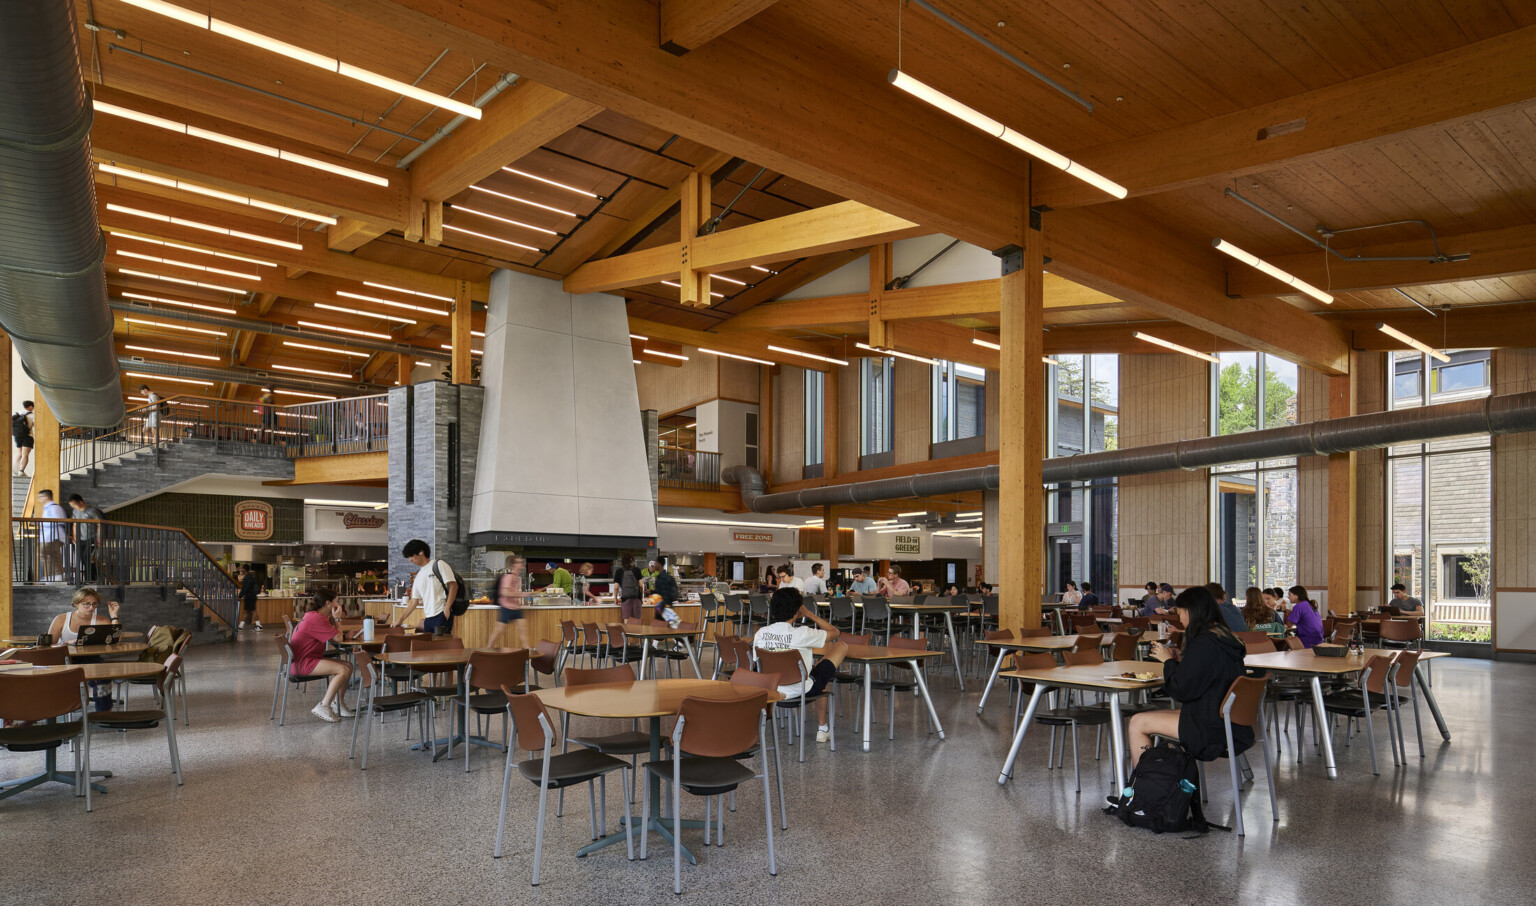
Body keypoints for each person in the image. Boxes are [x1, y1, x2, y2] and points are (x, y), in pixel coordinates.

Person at [1127, 586, 1252, 766]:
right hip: (1230, 721)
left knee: (1137, 722)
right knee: (1152, 714)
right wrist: (1183, 660)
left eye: (1180, 613)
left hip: (1209, 728)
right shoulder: (1225, 637)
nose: (1179, 618)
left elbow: (1181, 691)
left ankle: (1145, 785)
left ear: (1191, 611)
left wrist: (1168, 661)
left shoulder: (1203, 642)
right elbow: (1205, 673)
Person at [752, 587, 850, 743]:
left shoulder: (760, 633)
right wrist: (809, 613)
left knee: (812, 674)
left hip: (771, 689)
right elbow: (835, 632)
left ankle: (823, 728)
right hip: (800, 689)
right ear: (797, 611)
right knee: (841, 646)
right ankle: (822, 729)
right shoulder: (803, 633)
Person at [48, 587, 121, 710]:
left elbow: (116, 639)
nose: (91, 608)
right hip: (66, 660)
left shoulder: (100, 620)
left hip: (90, 658)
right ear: (76, 604)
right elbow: (49, 645)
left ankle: (104, 713)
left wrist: (114, 616)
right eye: (86, 604)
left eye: (94, 604)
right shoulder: (61, 619)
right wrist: (66, 643)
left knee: (104, 676)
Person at [288, 591, 354, 722]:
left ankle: (338, 703)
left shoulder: (314, 616)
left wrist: (345, 635)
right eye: (336, 601)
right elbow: (338, 638)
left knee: (349, 665)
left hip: (305, 659)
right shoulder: (316, 618)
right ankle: (324, 705)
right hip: (303, 663)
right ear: (328, 603)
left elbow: (335, 637)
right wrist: (337, 618)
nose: (338, 604)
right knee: (343, 669)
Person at [399, 539, 459, 635]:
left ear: (421, 552)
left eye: (411, 556)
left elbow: (454, 585)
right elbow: (414, 601)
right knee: (428, 647)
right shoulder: (418, 576)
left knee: (441, 647)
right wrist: (400, 620)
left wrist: (447, 607)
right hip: (428, 618)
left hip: (441, 614)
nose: (410, 559)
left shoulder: (439, 564)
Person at [487, 554, 532, 649]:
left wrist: (520, 598)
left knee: (524, 634)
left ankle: (528, 658)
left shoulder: (518, 578)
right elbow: (504, 592)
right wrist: (521, 595)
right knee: (497, 633)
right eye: (519, 562)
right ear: (513, 565)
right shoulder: (508, 577)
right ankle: (486, 651)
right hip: (506, 608)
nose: (521, 564)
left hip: (516, 608)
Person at [67, 494, 104, 583]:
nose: (74, 507)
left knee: (87, 557)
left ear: (81, 502)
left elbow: (99, 524)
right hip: (81, 539)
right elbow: (75, 524)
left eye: (75, 505)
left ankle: (91, 578)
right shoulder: (75, 512)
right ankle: (90, 578)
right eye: (72, 506)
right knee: (82, 559)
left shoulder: (91, 511)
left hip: (92, 537)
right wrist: (75, 537)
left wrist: (99, 537)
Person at [37, 489, 69, 582]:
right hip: (50, 536)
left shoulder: (54, 507)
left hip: (53, 536)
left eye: (40, 497)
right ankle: (56, 576)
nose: (39, 499)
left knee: (43, 552)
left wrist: (41, 524)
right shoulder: (48, 508)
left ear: (46, 497)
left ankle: (54, 575)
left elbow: (59, 521)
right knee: (53, 555)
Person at [613, 554, 646, 620]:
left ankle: (627, 630)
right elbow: (641, 585)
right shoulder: (637, 570)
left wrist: (615, 599)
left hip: (625, 599)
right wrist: (642, 597)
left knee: (627, 620)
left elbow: (616, 587)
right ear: (632, 561)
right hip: (637, 599)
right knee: (637, 620)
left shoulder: (619, 571)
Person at [238, 564, 263, 630]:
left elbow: (245, 588)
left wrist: (240, 596)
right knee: (247, 611)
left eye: (242, 568)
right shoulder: (251, 577)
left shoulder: (247, 578)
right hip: (252, 596)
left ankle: (258, 625)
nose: (241, 570)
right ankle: (241, 626)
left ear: (244, 569)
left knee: (252, 611)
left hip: (249, 597)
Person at [12, 399, 34, 477]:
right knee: (25, 454)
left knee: (20, 453)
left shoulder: (16, 413)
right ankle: (21, 471)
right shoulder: (32, 415)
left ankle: (15, 468)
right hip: (27, 436)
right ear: (31, 407)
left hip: (17, 436)